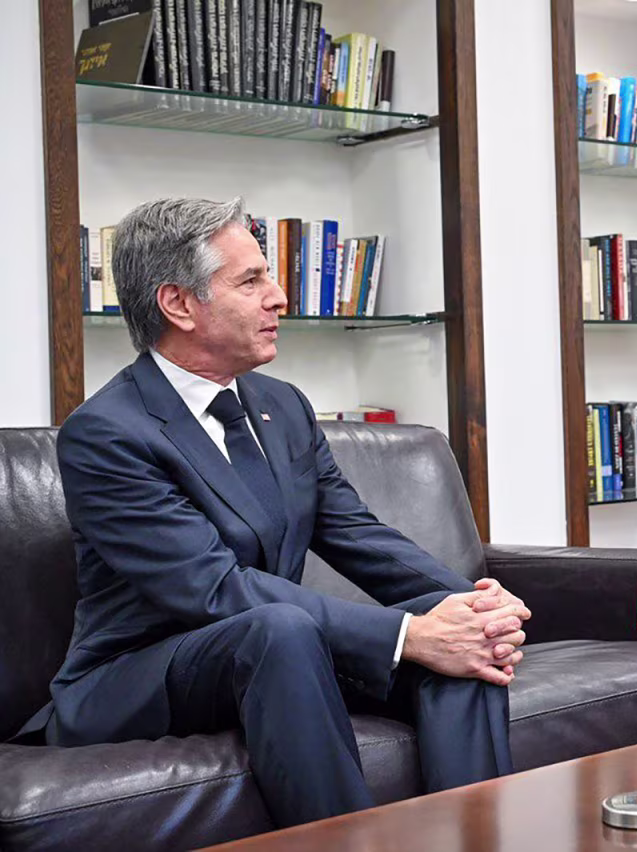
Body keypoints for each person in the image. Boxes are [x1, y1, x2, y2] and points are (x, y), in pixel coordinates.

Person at [15, 198, 530, 828]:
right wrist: (408, 635)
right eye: (251, 280)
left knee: (457, 634)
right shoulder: (106, 433)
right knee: (284, 629)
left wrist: (470, 605)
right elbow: (213, 589)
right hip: (142, 673)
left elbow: (355, 533)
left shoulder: (282, 405)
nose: (279, 297)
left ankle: (476, 834)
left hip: (280, 656)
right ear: (179, 304)